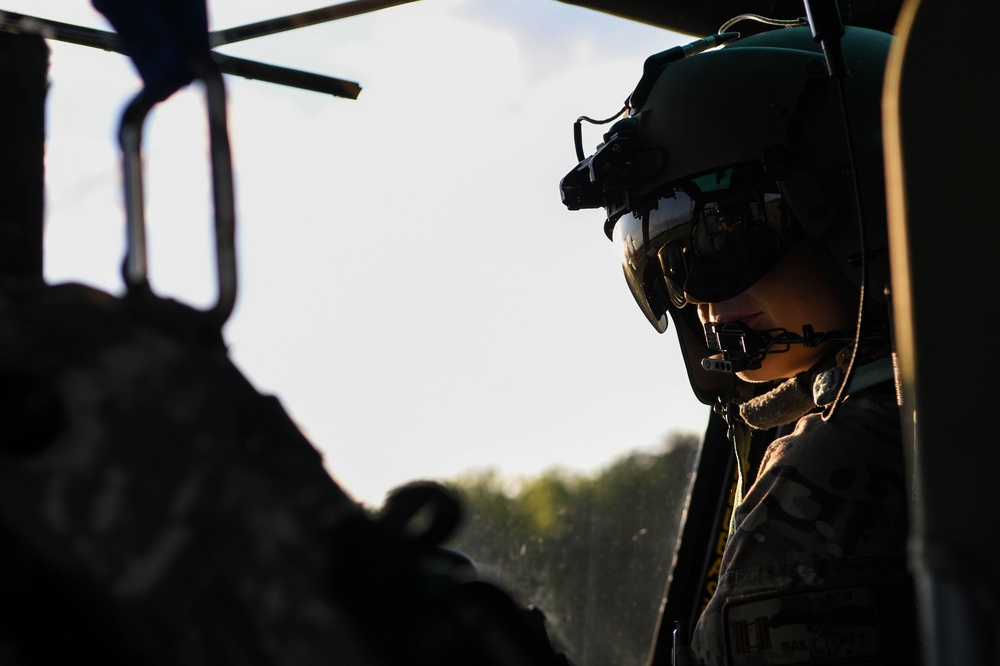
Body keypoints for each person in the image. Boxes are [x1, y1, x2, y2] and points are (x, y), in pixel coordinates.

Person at [561, 18, 920, 666]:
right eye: (660, 259)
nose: (694, 298)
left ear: (863, 202)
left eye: (715, 239)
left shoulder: (840, 465)